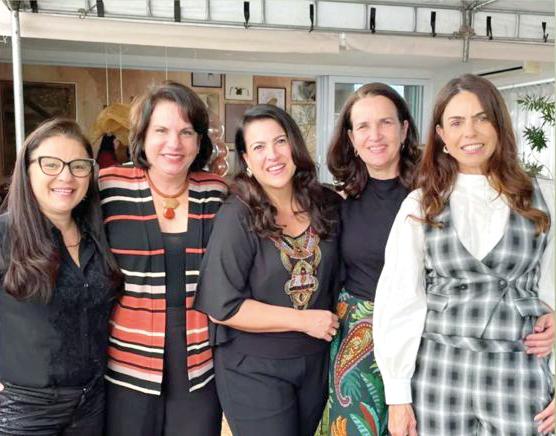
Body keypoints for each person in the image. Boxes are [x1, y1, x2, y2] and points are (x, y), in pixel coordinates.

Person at [374, 74, 555, 436]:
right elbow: (400, 302)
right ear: (440, 134)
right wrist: (397, 396)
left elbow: (553, 293)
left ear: (499, 125)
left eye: (481, 118)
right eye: (456, 122)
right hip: (439, 375)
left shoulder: (544, 196)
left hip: (518, 376)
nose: (470, 132)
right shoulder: (420, 204)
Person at [194, 104, 342, 436]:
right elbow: (222, 306)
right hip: (252, 367)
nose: (272, 155)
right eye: (259, 147)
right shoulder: (238, 215)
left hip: (313, 362)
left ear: (294, 146)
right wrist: (303, 320)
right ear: (246, 159)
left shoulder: (327, 204)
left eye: (279, 141)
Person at [99, 81, 227, 436]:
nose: (175, 143)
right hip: (128, 360)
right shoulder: (109, 187)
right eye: (162, 130)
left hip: (199, 363)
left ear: (199, 141)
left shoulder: (216, 192)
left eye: (187, 132)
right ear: (142, 135)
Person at [0, 118, 122, 435]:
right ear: (27, 170)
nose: (66, 176)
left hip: (92, 402)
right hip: (26, 408)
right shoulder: (6, 233)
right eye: (50, 164)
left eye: (78, 166)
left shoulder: (97, 234)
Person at [323, 83, 421, 435]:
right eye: (363, 126)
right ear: (350, 137)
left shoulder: (434, 196)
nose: (375, 135)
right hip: (357, 344)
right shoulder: (338, 202)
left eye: (386, 123)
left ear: (405, 129)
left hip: (421, 342)